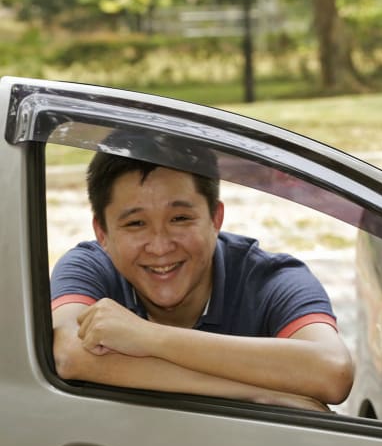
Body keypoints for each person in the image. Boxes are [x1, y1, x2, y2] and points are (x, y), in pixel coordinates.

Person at [51, 141, 354, 412]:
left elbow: (332, 371)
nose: (159, 246)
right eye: (135, 223)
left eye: (180, 219)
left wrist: (146, 336)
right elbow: (69, 354)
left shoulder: (272, 280)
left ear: (215, 218)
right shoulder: (88, 268)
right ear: (102, 233)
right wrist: (260, 391)